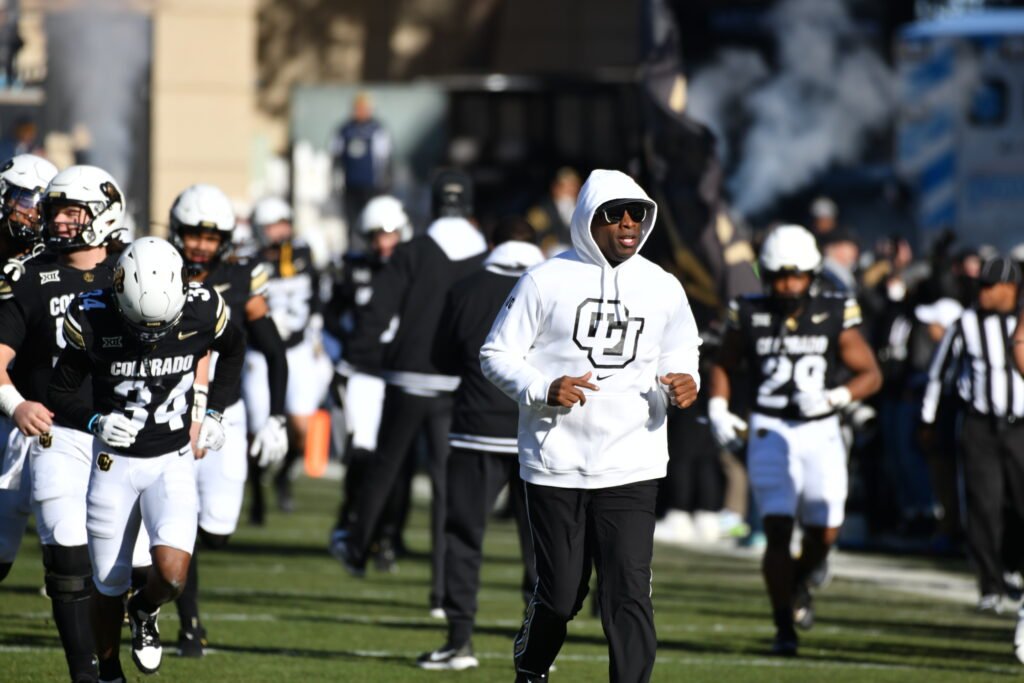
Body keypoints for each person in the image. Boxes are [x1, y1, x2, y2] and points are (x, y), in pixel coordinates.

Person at [480, 169, 701, 682]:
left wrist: (686, 379)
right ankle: (532, 668)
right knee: (559, 596)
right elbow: (495, 354)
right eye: (614, 213)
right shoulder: (544, 279)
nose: (628, 223)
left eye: (637, 213)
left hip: (633, 460)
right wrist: (542, 388)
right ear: (587, 217)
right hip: (555, 462)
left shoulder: (662, 285)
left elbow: (683, 349)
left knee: (627, 593)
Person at [48, 236, 245, 681]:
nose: (152, 337)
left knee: (173, 575)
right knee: (107, 585)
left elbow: (234, 348)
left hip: (172, 458)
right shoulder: (91, 315)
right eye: (143, 326)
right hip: (113, 464)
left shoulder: (202, 308)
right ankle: (110, 671)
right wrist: (95, 421)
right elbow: (59, 392)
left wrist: (215, 409)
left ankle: (144, 609)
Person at [708, 224, 881, 656]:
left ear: (813, 273)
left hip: (821, 428)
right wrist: (717, 406)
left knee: (826, 527)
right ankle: (783, 623)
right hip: (769, 428)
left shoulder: (834, 308)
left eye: (797, 276)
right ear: (765, 274)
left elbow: (870, 373)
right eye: (780, 276)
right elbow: (724, 363)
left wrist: (836, 395)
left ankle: (800, 582)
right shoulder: (748, 309)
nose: (788, 285)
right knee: (778, 527)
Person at [330, 169, 487, 620]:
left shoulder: (412, 252)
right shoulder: (483, 256)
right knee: (445, 487)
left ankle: (358, 548)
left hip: (405, 378)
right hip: (456, 385)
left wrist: (358, 358)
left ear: (434, 205)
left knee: (384, 468)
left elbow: (378, 312)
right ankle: (441, 592)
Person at [0, 164, 134, 683]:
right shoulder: (29, 276)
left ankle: (133, 634)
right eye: (54, 211)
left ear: (102, 215)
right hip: (49, 430)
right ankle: (89, 674)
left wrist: (196, 407)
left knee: (139, 565)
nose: (58, 222)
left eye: (72, 211)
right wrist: (16, 405)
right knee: (65, 557)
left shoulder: (131, 269)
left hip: (121, 431)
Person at [416, 216, 544, 671]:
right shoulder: (554, 284)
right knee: (543, 546)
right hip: (538, 430)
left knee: (464, 536)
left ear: (492, 242)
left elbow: (443, 355)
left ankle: (458, 640)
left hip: (474, 427)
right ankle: (543, 647)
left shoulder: (466, 287)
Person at [167, 184, 289, 656]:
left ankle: (164, 573)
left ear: (226, 240)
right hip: (170, 415)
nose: (199, 244)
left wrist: (276, 416)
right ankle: (188, 624)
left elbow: (273, 349)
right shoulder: (156, 269)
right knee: (179, 521)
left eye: (209, 235)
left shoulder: (241, 278)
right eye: (192, 233)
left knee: (216, 531)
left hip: (224, 414)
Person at [924, 255, 1024, 615]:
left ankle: (1012, 566)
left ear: (1010, 288)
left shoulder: (1022, 322)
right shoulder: (965, 323)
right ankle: (990, 585)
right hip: (980, 424)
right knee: (983, 506)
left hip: (1021, 427)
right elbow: (939, 373)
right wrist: (928, 419)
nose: (980, 292)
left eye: (987, 286)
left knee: (1018, 503)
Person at [327, 194, 411, 568]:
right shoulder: (352, 268)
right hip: (361, 372)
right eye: (377, 234)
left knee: (395, 461)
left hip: (397, 373)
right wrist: (343, 355)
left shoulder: (413, 266)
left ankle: (387, 534)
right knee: (361, 457)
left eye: (390, 234)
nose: (383, 242)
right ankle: (352, 521)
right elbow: (330, 317)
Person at [244, 196, 329, 521]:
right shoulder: (250, 261)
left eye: (282, 223)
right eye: (272, 225)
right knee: (256, 430)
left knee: (302, 429)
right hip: (261, 352)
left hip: (297, 348)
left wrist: (318, 320)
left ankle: (282, 477)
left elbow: (320, 289)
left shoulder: (304, 253)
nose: (279, 232)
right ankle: (258, 498)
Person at [0, 153, 58, 584]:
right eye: (23, 199)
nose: (32, 211)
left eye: (40, 202)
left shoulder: (52, 263)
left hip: (38, 405)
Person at [330, 92, 393, 250]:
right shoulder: (345, 130)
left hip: (371, 186)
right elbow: (336, 157)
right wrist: (335, 180)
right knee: (351, 222)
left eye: (365, 108)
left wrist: (384, 183)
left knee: (372, 220)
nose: (361, 112)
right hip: (350, 185)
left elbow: (384, 159)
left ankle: (371, 249)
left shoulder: (377, 129)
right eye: (358, 108)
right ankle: (353, 250)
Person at [526, 167, 581, 256]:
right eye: (564, 186)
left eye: (573, 186)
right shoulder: (540, 211)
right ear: (555, 187)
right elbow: (537, 236)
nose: (569, 190)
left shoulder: (582, 208)